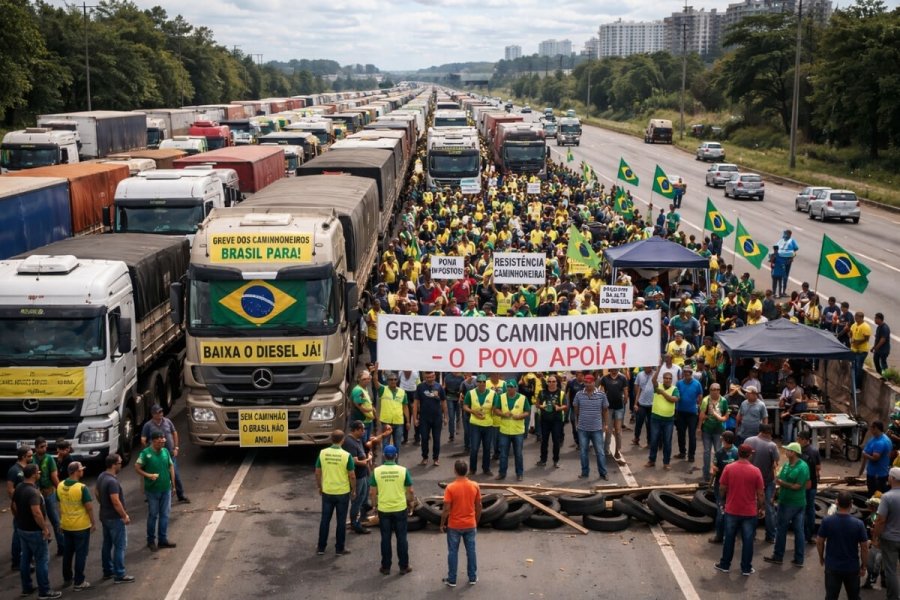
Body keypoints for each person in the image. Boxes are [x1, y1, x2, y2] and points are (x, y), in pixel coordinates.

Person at [714, 443, 765, 576]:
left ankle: (725, 565)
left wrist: (723, 501)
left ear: (738, 454)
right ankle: (746, 568)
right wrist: (761, 508)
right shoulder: (756, 471)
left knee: (729, 538)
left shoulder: (729, 468)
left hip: (732, 510)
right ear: (749, 455)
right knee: (748, 541)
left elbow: (722, 488)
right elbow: (760, 493)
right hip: (749, 511)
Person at [13, 464, 62, 599]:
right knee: (41, 560)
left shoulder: (19, 488)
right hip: (35, 531)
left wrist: (19, 519)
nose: (39, 474)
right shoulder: (33, 492)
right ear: (34, 474)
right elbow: (36, 512)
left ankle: (27, 588)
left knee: (25, 558)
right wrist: (45, 528)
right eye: (38, 472)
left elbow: (14, 506)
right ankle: (44, 591)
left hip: (22, 529)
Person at [370, 444, 413, 576]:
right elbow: (410, 490)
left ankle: (386, 567)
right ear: (396, 456)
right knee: (401, 538)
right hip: (400, 508)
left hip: (384, 509)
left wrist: (374, 506)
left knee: (385, 538)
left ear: (383, 456)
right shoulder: (403, 470)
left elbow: (372, 492)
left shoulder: (376, 472)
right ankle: (404, 566)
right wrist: (410, 503)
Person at [765, 442, 810, 567]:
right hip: (786, 501)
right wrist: (774, 495)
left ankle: (778, 556)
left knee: (782, 529)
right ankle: (798, 559)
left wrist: (783, 483)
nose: (786, 452)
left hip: (792, 503)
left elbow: (798, 486)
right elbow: (778, 478)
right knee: (798, 530)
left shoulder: (802, 467)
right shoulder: (786, 465)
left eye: (788, 450)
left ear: (794, 453)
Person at [817, 491, 868, 600]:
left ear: (836, 502)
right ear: (851, 504)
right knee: (854, 596)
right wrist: (863, 566)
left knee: (831, 596)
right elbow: (864, 547)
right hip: (852, 567)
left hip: (832, 567)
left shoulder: (827, 521)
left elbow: (820, 542)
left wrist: (821, 557)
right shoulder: (858, 524)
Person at [441, 460, 482, 587]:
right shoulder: (475, 485)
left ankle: (452, 579)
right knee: (471, 551)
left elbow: (447, 509)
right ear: (467, 470)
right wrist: (476, 520)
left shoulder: (450, 487)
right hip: (470, 524)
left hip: (454, 525)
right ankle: (472, 577)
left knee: (453, 552)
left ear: (455, 470)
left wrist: (442, 523)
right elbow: (479, 505)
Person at [315, 430, 356, 556]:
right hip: (342, 492)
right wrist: (353, 490)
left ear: (331, 439)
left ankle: (321, 547)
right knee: (341, 521)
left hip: (327, 491)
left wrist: (320, 486)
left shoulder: (323, 453)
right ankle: (339, 548)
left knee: (325, 520)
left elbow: (317, 472)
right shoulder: (346, 455)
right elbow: (352, 476)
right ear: (342, 440)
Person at [134, 431, 176, 552]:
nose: (162, 442)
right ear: (153, 441)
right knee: (153, 515)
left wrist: (173, 484)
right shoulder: (145, 453)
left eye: (163, 440)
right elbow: (137, 467)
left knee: (165, 515)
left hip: (165, 489)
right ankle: (151, 541)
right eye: (159, 440)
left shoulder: (165, 451)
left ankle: (162, 540)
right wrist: (148, 475)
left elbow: (171, 466)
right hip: (152, 491)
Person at [96, 453, 134, 584]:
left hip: (105, 516)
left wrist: (103, 504)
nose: (121, 465)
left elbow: (97, 492)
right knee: (120, 546)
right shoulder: (112, 481)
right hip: (115, 518)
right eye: (119, 463)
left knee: (107, 544)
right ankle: (119, 574)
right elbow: (115, 501)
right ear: (113, 465)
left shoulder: (102, 476)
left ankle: (107, 570)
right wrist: (124, 516)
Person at [57, 461, 95, 590]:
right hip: (81, 526)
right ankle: (79, 582)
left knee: (68, 553)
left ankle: (67, 578)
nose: (82, 471)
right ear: (76, 472)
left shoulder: (60, 485)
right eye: (81, 469)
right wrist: (93, 523)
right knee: (81, 554)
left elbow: (60, 505)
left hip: (66, 525)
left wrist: (61, 522)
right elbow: (89, 507)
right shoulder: (81, 488)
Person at [140, 404, 189, 503]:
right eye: (158, 412)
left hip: (169, 454)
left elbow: (174, 432)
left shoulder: (167, 422)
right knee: (155, 476)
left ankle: (181, 495)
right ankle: (151, 495)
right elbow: (143, 439)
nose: (160, 414)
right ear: (153, 414)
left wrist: (176, 447)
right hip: (156, 456)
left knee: (175, 475)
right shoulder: (148, 425)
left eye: (161, 412)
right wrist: (148, 450)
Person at [744, 424, 779, 543]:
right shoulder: (772, 446)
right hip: (767, 481)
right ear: (768, 433)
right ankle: (770, 536)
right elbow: (776, 462)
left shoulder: (748, 440)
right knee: (769, 508)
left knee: (752, 506)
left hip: (750, 480)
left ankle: (750, 534)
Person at [574, 374, 610, 480]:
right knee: (583, 452)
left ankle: (603, 473)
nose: (588, 384)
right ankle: (585, 473)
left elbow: (605, 410)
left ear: (594, 382)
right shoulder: (579, 394)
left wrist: (606, 424)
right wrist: (578, 421)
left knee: (600, 452)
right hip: (582, 428)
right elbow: (576, 408)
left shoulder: (601, 394)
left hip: (597, 429)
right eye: (586, 382)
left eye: (590, 382)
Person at [32, 436, 63, 556]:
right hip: (36, 493)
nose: (44, 449)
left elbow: (54, 477)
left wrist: (60, 491)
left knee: (55, 520)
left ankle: (62, 546)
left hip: (48, 492)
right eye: (41, 447)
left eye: (45, 446)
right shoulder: (32, 459)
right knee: (39, 520)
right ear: (36, 448)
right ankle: (41, 546)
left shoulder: (49, 459)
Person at [493, 380, 530, 481]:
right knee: (503, 454)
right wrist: (503, 414)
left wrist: (520, 416)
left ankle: (519, 473)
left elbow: (527, 411)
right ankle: (502, 473)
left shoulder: (523, 398)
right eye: (508, 387)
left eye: (511, 387)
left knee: (518, 454)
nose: (509, 389)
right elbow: (495, 409)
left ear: (516, 387)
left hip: (517, 431)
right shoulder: (501, 397)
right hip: (504, 430)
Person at [645, 368, 679, 470]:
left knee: (667, 442)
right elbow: (653, 380)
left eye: (669, 378)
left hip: (668, 420)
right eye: (666, 378)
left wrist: (663, 393)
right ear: (663, 379)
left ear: (671, 380)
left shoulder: (674, 389)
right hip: (656, 418)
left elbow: (674, 399)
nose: (667, 380)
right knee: (654, 440)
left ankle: (666, 462)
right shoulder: (657, 386)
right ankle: (652, 460)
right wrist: (659, 367)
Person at [343, 421, 374, 535]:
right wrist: (367, 460)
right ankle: (354, 523)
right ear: (355, 430)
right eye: (362, 429)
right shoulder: (349, 443)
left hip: (364, 475)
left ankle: (363, 517)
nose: (364, 431)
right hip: (357, 477)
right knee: (357, 501)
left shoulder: (358, 439)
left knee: (364, 498)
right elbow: (355, 462)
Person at [708, 430, 739, 544]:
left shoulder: (736, 453)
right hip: (720, 485)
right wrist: (713, 469)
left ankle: (729, 536)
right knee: (721, 512)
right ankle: (719, 536)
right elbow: (714, 467)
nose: (721, 440)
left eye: (722, 439)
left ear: (726, 440)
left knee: (728, 512)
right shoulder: (719, 452)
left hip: (732, 487)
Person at [414, 371, 447, 466]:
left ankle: (436, 458)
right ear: (424, 377)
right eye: (427, 377)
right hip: (424, 418)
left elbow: (444, 402)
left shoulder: (439, 387)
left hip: (437, 418)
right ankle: (425, 457)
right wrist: (415, 418)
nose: (430, 379)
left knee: (437, 439)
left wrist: (446, 417)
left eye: (431, 377)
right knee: (424, 438)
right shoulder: (420, 387)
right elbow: (416, 403)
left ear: (434, 376)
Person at [464, 374, 496, 476]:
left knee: (487, 448)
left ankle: (486, 468)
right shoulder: (470, 393)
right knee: (474, 448)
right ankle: (472, 469)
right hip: (475, 424)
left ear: (486, 383)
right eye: (479, 382)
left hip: (488, 424)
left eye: (484, 382)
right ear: (476, 383)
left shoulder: (492, 393)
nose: (482, 384)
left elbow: (495, 408)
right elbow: (465, 406)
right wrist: (473, 412)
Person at [7, 445, 32, 572]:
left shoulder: (27, 469)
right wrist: (18, 503)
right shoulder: (14, 470)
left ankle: (26, 558)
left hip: (28, 506)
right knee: (18, 533)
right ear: (23, 457)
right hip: (19, 507)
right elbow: (10, 490)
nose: (31, 458)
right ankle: (16, 561)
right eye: (29, 456)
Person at [699, 383, 730, 482]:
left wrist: (720, 418)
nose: (715, 391)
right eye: (713, 389)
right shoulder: (705, 400)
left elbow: (726, 415)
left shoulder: (723, 401)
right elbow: (702, 415)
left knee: (718, 451)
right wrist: (699, 427)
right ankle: (706, 474)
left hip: (719, 430)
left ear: (719, 390)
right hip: (707, 429)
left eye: (717, 389)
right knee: (707, 452)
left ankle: (718, 473)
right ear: (710, 390)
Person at [537, 374, 567, 468]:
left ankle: (556, 460)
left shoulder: (561, 393)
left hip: (556, 421)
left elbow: (565, 406)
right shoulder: (542, 392)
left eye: (553, 381)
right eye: (549, 381)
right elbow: (537, 404)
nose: (551, 383)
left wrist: (559, 407)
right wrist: (541, 406)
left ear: (557, 382)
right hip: (545, 420)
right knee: (544, 441)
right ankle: (543, 460)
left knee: (556, 441)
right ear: (547, 383)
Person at [600, 368, 629, 464]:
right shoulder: (605, 378)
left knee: (618, 430)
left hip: (619, 407)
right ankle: (606, 450)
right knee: (608, 429)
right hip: (608, 408)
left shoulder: (622, 378)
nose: (614, 370)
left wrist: (624, 401)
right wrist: (602, 405)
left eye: (616, 369)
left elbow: (625, 391)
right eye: (612, 369)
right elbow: (602, 392)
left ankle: (617, 451)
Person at [674, 365, 703, 463]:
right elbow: (676, 394)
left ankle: (691, 455)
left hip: (692, 413)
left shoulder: (697, 383)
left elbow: (700, 394)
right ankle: (682, 452)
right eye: (685, 372)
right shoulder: (679, 383)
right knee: (681, 434)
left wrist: (699, 405)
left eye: (688, 372)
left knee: (692, 435)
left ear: (691, 373)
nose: (686, 374)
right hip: (681, 412)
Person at [798, 430, 822, 543]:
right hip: (812, 484)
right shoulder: (815, 450)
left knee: (801, 509)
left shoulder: (799, 451)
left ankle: (801, 534)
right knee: (810, 509)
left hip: (801, 485)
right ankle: (809, 535)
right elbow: (818, 468)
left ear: (804, 439)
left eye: (799, 439)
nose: (797, 441)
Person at [377, 370, 409, 452]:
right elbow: (375, 381)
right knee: (385, 445)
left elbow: (405, 407)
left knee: (397, 446)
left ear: (397, 380)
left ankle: (396, 464)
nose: (393, 381)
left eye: (395, 379)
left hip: (398, 422)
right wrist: (375, 372)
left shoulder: (402, 392)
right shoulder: (383, 389)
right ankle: (384, 464)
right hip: (386, 422)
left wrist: (408, 421)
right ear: (387, 381)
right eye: (391, 379)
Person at [859, 420, 892, 496]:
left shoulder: (880, 442)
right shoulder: (874, 439)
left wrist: (864, 454)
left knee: (875, 495)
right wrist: (861, 471)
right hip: (875, 473)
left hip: (877, 475)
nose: (870, 429)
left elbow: (875, 458)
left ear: (876, 428)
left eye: (871, 428)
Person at [350, 368, 376, 442]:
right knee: (362, 442)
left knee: (367, 441)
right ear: (358, 379)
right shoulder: (358, 390)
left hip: (367, 420)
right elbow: (360, 407)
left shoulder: (364, 388)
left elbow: (367, 402)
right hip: (362, 421)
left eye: (368, 379)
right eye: (364, 379)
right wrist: (370, 412)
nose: (366, 381)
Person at [873, 313, 892, 377]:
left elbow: (883, 340)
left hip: (883, 350)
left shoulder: (885, 328)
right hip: (878, 350)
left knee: (883, 363)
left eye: (875, 318)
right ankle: (880, 373)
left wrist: (876, 348)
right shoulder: (879, 327)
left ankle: (885, 375)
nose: (874, 320)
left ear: (879, 319)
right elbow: (878, 339)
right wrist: (874, 347)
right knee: (876, 360)